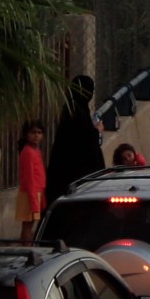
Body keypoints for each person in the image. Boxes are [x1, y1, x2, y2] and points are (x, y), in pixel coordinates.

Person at [44, 77, 104, 205]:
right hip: (73, 177)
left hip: (65, 175)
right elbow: (82, 142)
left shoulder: (74, 108)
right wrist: (96, 131)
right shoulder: (76, 111)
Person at [16, 121, 47, 242]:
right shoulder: (28, 151)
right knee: (27, 226)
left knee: (30, 225)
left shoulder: (36, 150)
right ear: (26, 135)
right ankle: (26, 249)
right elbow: (29, 179)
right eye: (33, 132)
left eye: (39, 132)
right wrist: (34, 201)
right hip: (29, 193)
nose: (36, 135)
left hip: (37, 192)